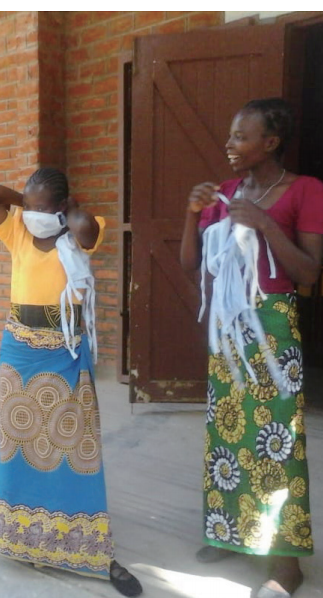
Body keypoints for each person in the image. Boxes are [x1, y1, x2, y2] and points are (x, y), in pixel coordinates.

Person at [0, 168, 142, 597]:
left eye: (41, 207)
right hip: (19, 351)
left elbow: (87, 230)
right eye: (28, 206)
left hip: (64, 351)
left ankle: (86, 548)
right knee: (18, 444)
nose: (32, 214)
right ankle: (23, 537)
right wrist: (27, 206)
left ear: (62, 207)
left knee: (72, 446)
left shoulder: (78, 231)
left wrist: (63, 217)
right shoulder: (18, 229)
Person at [180, 98, 323, 598]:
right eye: (230, 135)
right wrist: (191, 214)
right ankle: (230, 532)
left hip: (274, 325)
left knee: (277, 439)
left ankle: (286, 561)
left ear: (271, 142)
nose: (230, 144)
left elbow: (309, 273)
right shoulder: (224, 192)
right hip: (229, 326)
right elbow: (190, 265)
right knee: (227, 432)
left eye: (241, 136)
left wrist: (265, 224)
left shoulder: (306, 190)